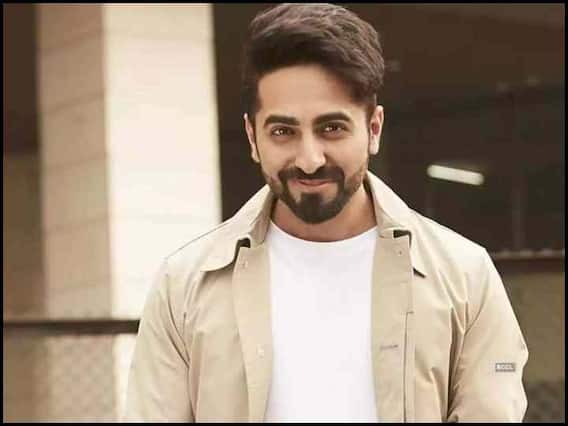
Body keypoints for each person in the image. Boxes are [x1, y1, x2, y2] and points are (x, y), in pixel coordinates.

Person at [123, 3, 528, 422]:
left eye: (331, 128)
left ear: (373, 129)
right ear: (252, 137)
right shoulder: (184, 285)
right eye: (283, 131)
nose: (310, 159)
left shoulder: (463, 277)